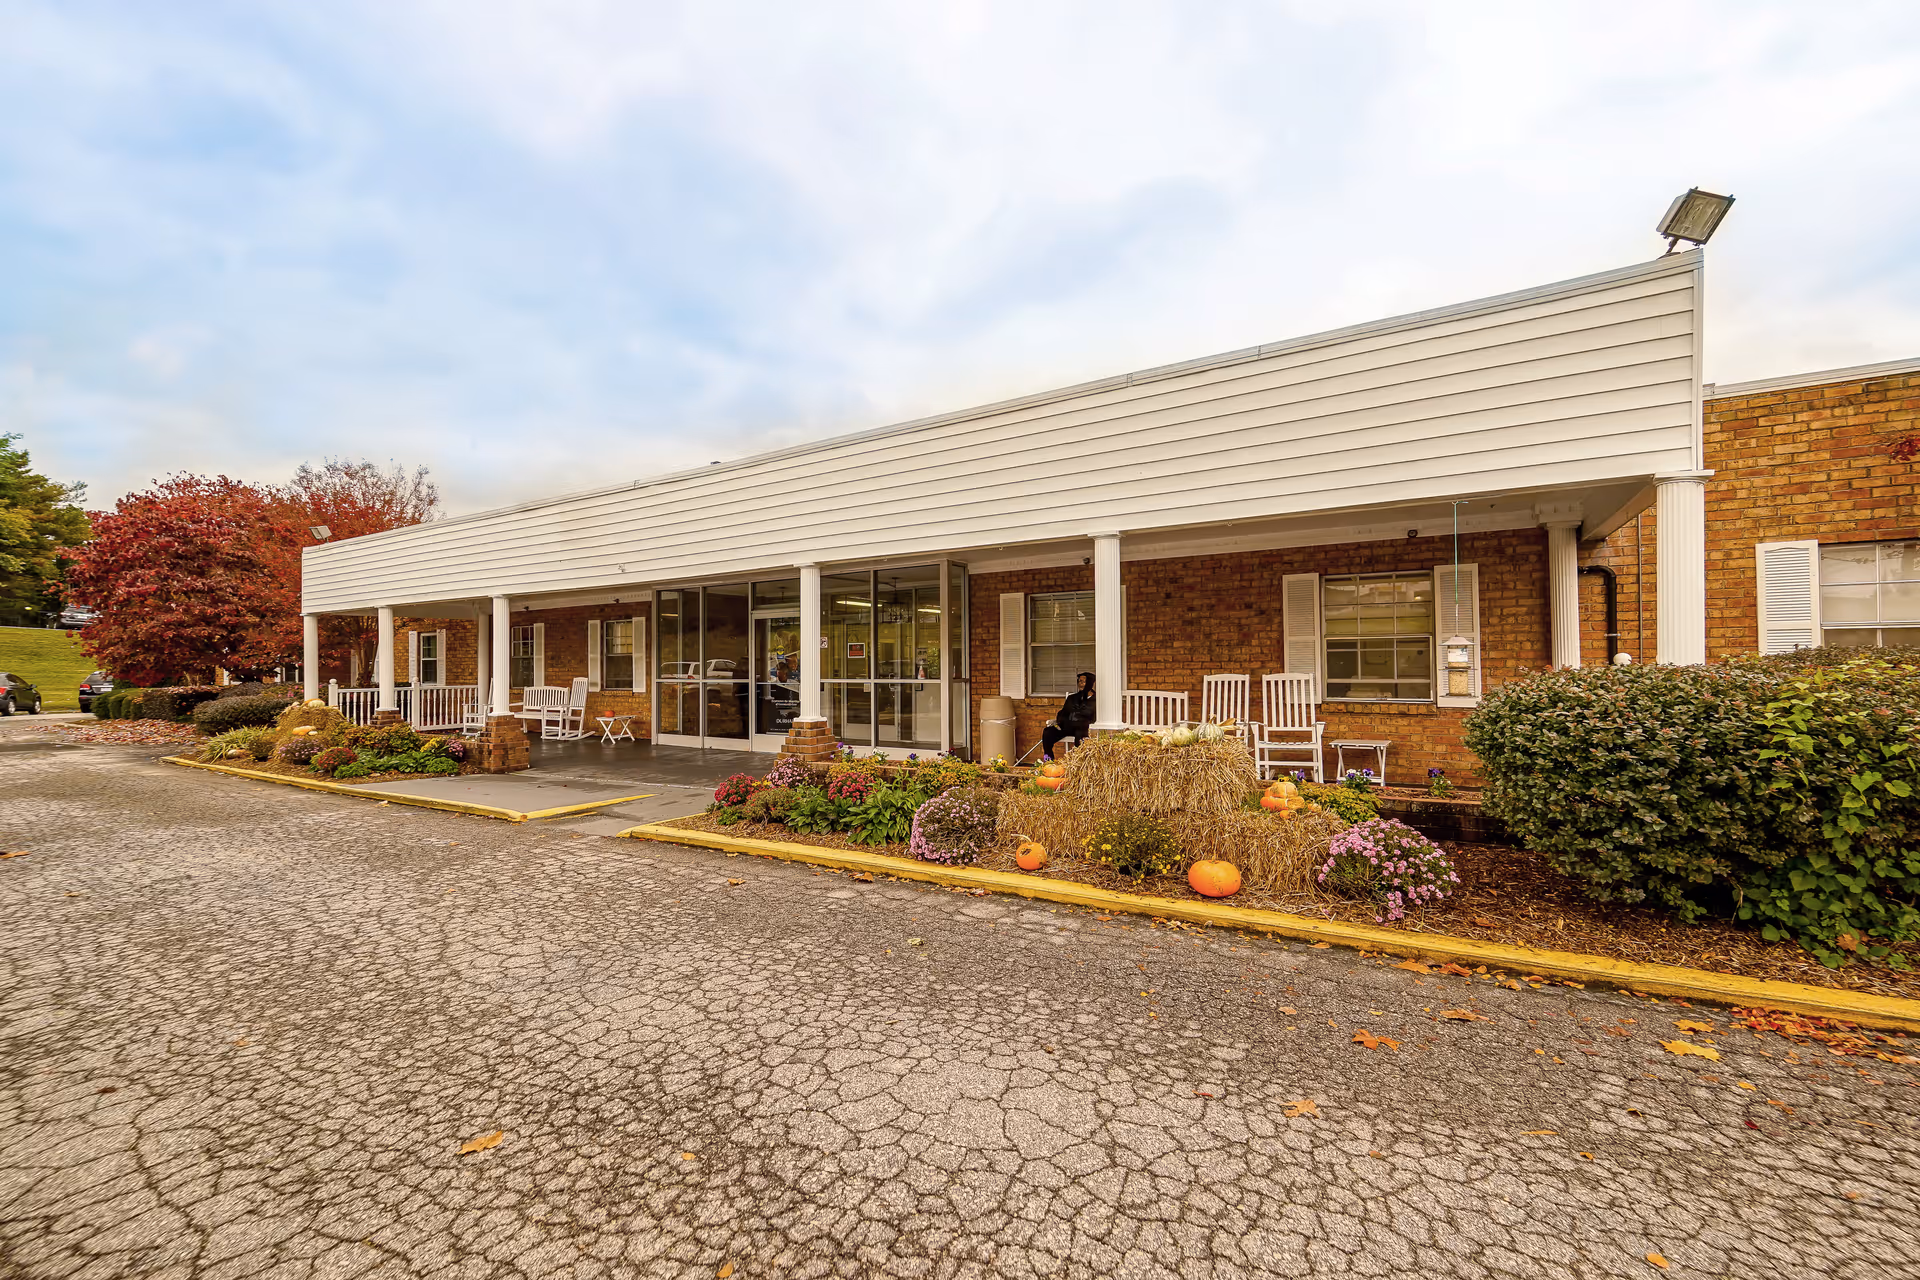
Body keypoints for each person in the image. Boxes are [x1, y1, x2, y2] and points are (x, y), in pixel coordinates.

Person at [1041, 672, 1096, 759]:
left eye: (1083, 682)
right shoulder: (1072, 698)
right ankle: (1049, 758)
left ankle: (1078, 762)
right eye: (1079, 681)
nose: (1080, 684)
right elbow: (1064, 713)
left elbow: (1090, 715)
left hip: (1083, 728)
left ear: (1090, 683)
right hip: (1068, 727)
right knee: (1048, 732)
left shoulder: (1095, 700)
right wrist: (1060, 721)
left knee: (1080, 735)